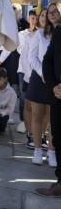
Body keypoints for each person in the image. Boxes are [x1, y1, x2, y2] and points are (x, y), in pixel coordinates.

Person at [26, 2, 61, 167]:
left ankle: (52, 151)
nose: (52, 15)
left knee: (53, 118)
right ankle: (37, 149)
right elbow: (32, 57)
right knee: (37, 115)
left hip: (57, 81)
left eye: (55, 12)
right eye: (49, 13)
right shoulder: (40, 33)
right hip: (40, 78)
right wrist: (44, 74)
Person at [36, 21, 61, 196]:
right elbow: (48, 60)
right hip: (58, 95)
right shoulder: (59, 31)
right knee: (58, 139)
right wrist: (52, 86)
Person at [16, 9, 38, 135]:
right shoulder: (22, 34)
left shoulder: (41, 33)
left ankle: (34, 122)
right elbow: (20, 49)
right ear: (29, 19)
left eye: (36, 18)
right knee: (24, 96)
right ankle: (23, 121)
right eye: (32, 18)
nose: (34, 20)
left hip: (37, 70)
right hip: (23, 69)